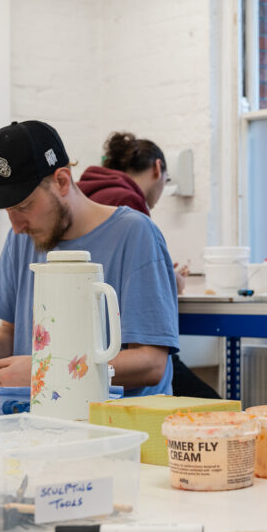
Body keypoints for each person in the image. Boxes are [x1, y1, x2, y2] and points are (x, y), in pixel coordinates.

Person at [0, 120, 179, 397]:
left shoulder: (135, 235)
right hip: (38, 419)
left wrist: (45, 371)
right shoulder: (21, 238)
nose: (16, 226)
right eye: (7, 210)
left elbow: (151, 364)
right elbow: (10, 333)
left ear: (62, 181)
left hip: (121, 426)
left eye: (23, 206)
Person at [77, 131, 218, 399]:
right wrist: (173, 280)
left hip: (90, 340)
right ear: (157, 169)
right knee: (215, 404)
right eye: (166, 181)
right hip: (127, 351)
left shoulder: (86, 196)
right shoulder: (128, 207)